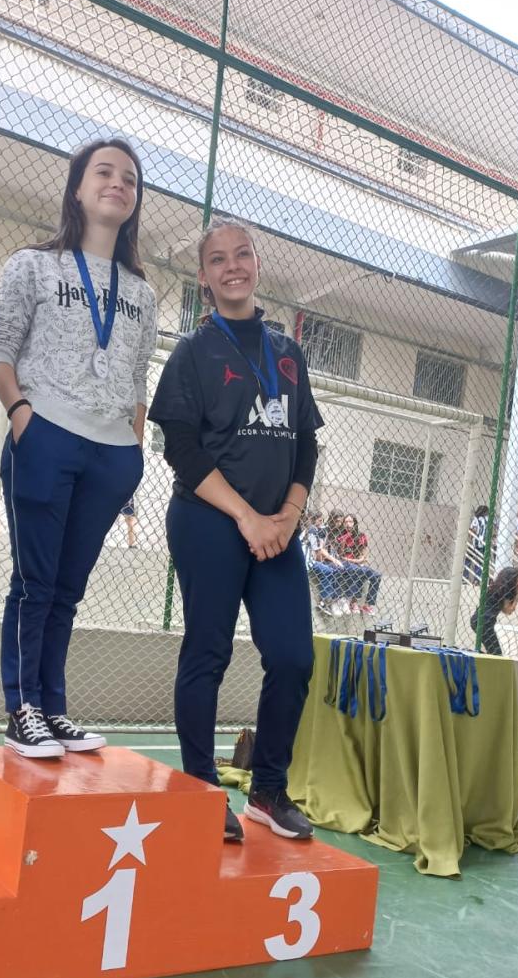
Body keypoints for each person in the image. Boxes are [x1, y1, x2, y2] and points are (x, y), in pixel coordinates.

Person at [148, 218, 322, 844]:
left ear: (257, 264)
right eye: (218, 259)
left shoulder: (288, 353)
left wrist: (287, 517)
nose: (233, 267)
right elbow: (182, 451)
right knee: (209, 651)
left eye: (242, 254)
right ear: (203, 276)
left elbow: (305, 445)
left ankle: (268, 791)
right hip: (209, 521)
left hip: (277, 529)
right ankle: (202, 790)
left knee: (293, 657)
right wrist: (247, 517)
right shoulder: (193, 353)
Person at [0, 139, 157, 758]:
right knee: (35, 581)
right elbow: (0, 349)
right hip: (46, 434)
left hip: (111, 452)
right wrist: (21, 414)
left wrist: (133, 446)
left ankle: (53, 709)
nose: (118, 184)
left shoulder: (141, 291)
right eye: (104, 173)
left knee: (68, 588)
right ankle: (22, 708)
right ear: (78, 189)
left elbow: (137, 375)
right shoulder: (33, 265)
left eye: (129, 179)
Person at [335, 513, 382, 615]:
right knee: (358, 570)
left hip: (357, 562)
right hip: (346, 563)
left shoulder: (361, 536)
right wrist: (343, 543)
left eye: (350, 521)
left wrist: (361, 560)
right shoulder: (340, 535)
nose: (348, 524)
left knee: (376, 575)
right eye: (346, 522)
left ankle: (368, 604)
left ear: (355, 523)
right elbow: (340, 556)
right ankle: (353, 602)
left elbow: (364, 554)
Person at [303, 509, 348, 615]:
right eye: (337, 521)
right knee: (334, 569)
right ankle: (332, 601)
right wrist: (333, 560)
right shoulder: (320, 530)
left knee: (346, 568)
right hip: (321, 559)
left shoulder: (339, 531)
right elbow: (319, 549)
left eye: (341, 522)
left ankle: (339, 599)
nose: (339, 524)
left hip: (325, 558)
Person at [471, 565, 518, 656]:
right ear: (512, 579)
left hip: (478, 619)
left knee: (492, 651)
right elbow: (509, 611)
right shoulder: (506, 592)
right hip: (486, 622)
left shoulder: (496, 588)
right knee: (496, 654)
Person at [464, 504, 489, 582]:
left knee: (468, 560)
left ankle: (465, 577)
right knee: (479, 562)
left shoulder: (476, 519)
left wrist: (470, 537)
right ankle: (477, 579)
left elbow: (473, 530)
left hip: (475, 543)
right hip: (483, 544)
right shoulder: (487, 520)